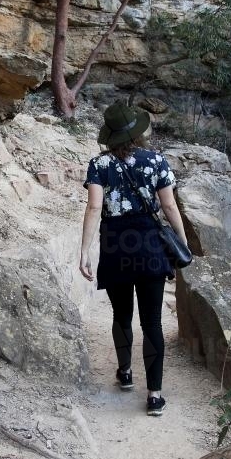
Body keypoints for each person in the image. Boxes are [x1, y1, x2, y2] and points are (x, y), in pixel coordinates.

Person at [79, 102, 187, 417]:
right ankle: (154, 395)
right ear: (136, 133)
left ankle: (125, 373)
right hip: (150, 244)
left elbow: (94, 208)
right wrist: (181, 240)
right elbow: (168, 207)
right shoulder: (156, 161)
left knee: (121, 315)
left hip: (116, 245)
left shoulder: (98, 164)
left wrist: (85, 250)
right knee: (152, 321)